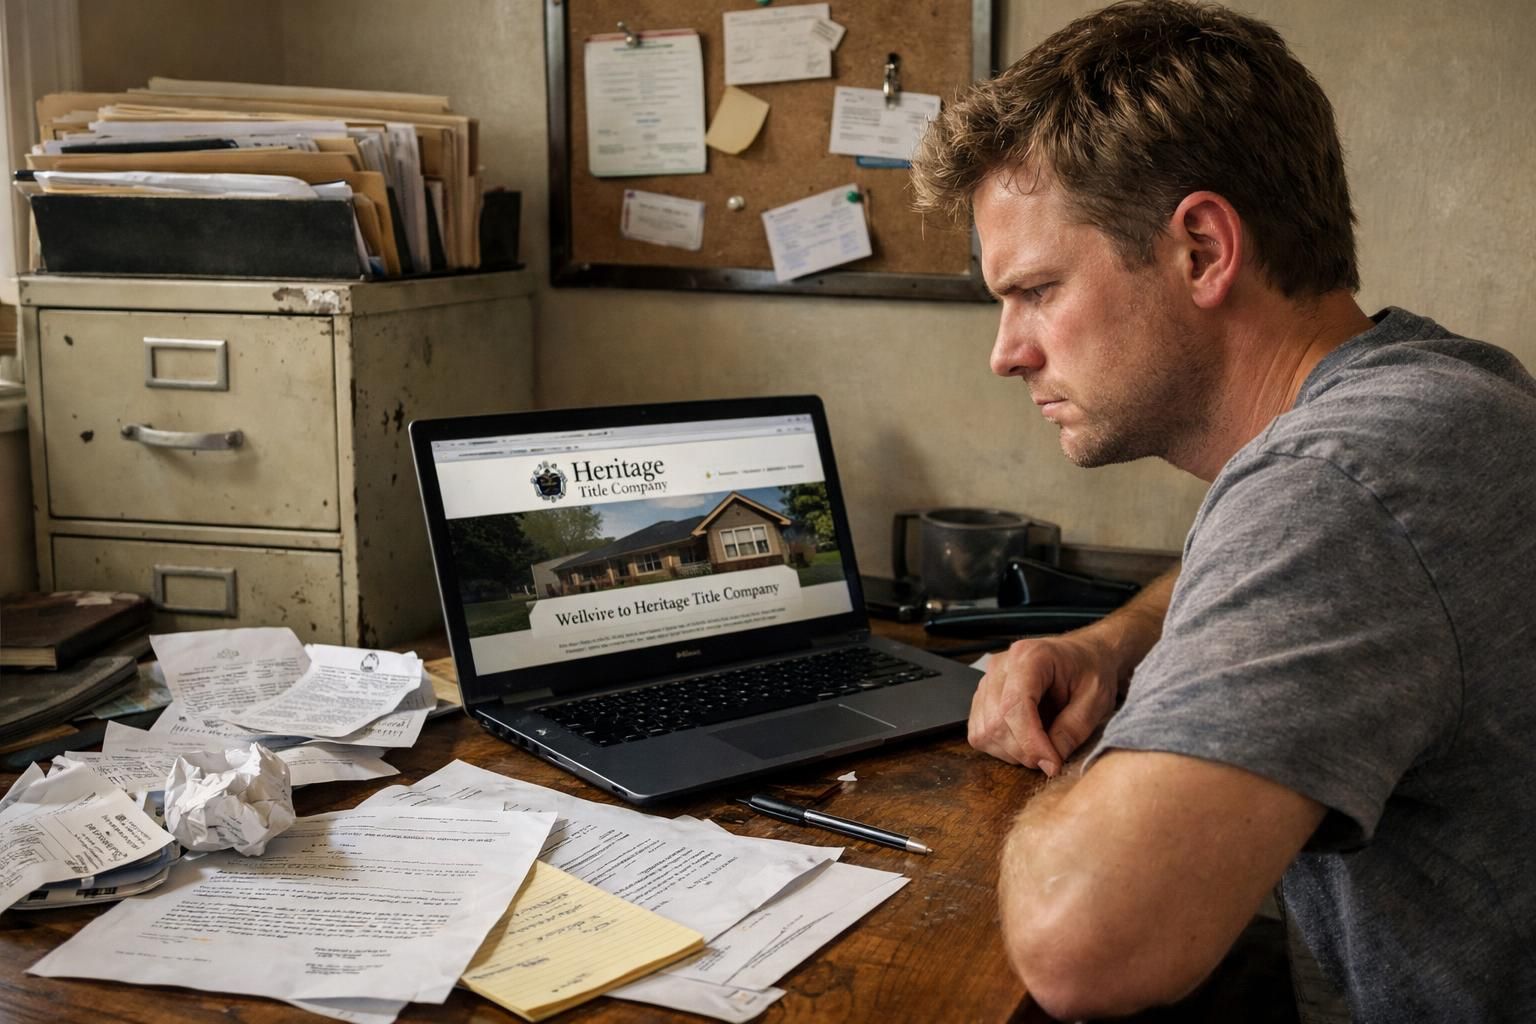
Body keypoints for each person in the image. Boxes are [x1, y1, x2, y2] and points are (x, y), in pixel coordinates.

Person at [909, 1, 1536, 1021]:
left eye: (1035, 289)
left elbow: (1082, 946)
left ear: (1201, 248)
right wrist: (1117, 644)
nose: (1007, 351)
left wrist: (1067, 786)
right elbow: (1272, 562)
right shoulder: (1438, 392)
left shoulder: (1339, 482)